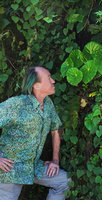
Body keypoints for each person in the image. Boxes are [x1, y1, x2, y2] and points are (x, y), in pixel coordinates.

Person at [0, 66, 70, 200]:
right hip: (11, 169)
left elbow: (55, 130)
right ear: (36, 85)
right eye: (49, 78)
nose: (54, 81)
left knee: (65, 181)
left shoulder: (48, 104)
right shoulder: (16, 105)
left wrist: (55, 160)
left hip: (33, 167)